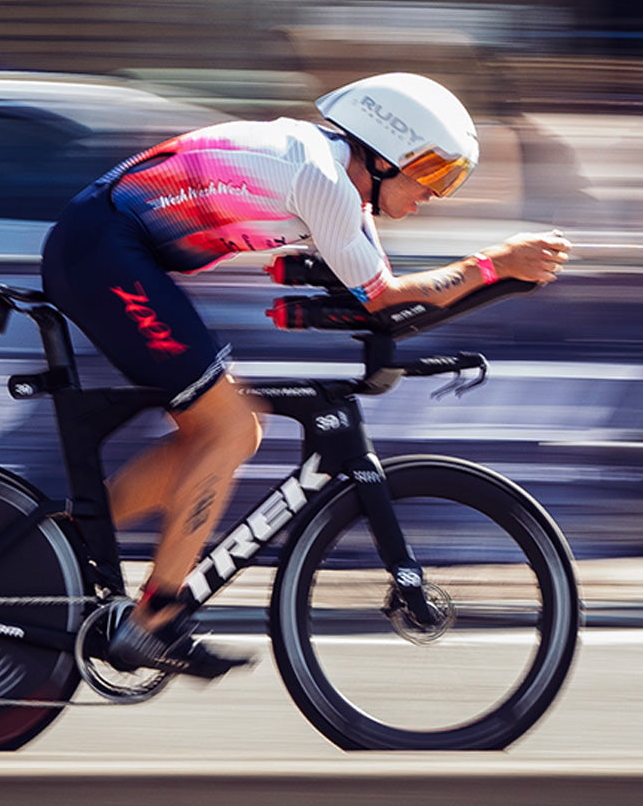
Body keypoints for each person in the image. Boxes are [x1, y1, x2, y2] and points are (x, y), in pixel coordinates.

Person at [41, 71, 570, 679]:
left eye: (447, 179)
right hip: (103, 251)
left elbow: (376, 297)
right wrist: (495, 264)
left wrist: (483, 283)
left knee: (221, 432)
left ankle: (60, 544)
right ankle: (153, 617)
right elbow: (384, 296)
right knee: (228, 429)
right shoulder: (325, 178)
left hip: (104, 246)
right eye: (433, 172)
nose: (434, 192)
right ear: (385, 155)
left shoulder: (337, 176)